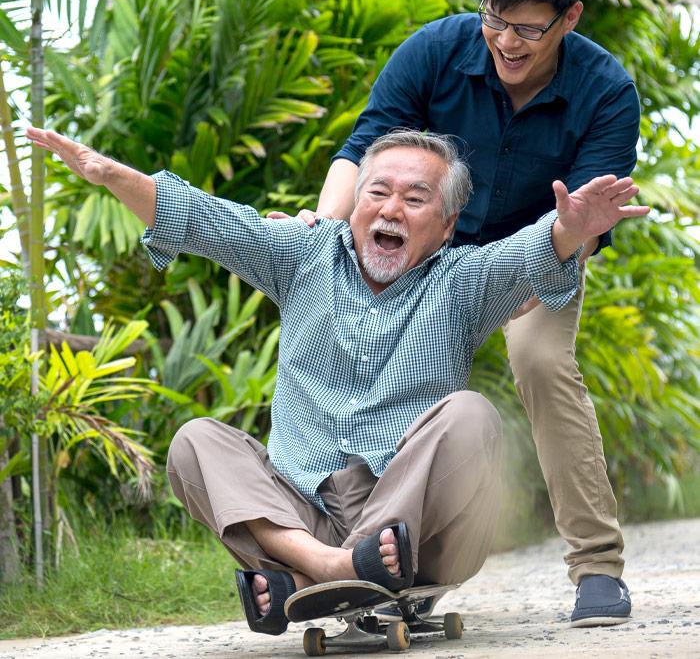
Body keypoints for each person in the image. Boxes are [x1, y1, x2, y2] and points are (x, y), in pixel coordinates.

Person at [27, 126, 647, 636]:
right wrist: (111, 175)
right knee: (195, 443)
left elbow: (534, 251)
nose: (391, 209)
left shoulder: (463, 280)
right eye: (378, 191)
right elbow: (204, 220)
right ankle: (330, 567)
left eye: (415, 199)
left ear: (447, 224)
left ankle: (309, 577)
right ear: (355, 202)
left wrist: (575, 228)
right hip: (308, 512)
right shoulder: (302, 253)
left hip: (420, 532)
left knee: (472, 415)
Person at [302, 0, 641, 627]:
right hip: (426, 258)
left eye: (528, 29)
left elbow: (585, 222)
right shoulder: (434, 51)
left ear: (570, 18)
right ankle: (382, 570)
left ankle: (598, 566)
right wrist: (323, 226)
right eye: (494, 19)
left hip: (538, 258)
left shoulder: (606, 91)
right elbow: (366, 147)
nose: (506, 42)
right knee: (372, 369)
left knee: (542, 362)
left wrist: (546, 258)